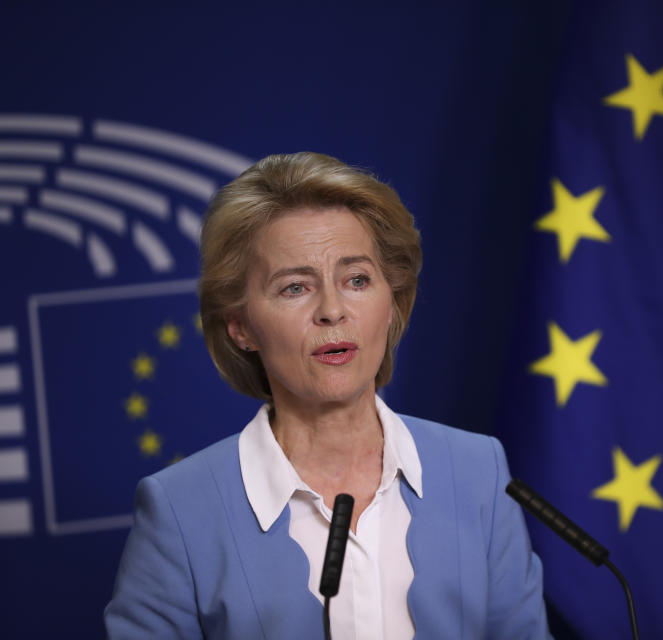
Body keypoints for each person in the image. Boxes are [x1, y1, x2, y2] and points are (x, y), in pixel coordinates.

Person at [104, 152, 551, 639]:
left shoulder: (479, 470)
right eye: (295, 288)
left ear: (392, 302)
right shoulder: (178, 511)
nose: (333, 310)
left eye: (356, 280)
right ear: (240, 327)